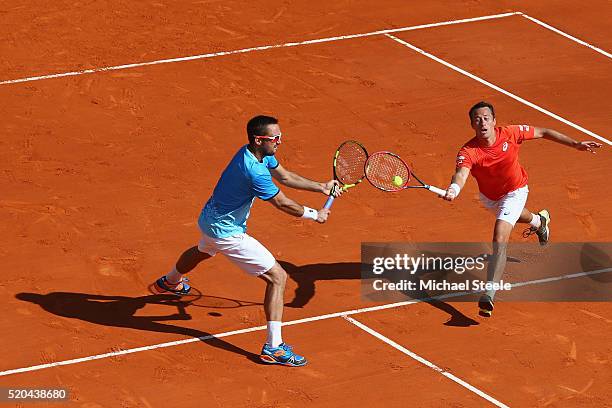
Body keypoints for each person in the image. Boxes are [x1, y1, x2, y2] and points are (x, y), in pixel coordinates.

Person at [152, 115, 341, 366]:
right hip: (227, 232)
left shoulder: (256, 153)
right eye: (275, 138)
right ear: (258, 139)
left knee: (203, 249)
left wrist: (321, 187)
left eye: (280, 136)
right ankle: (274, 347)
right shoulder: (254, 171)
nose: (280, 142)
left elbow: (284, 177)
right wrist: (314, 214)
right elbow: (282, 203)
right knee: (278, 277)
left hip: (209, 218)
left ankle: (170, 282)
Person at [442, 101, 602, 317]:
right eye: (477, 119)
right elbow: (461, 174)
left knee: (500, 237)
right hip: (490, 197)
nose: (482, 122)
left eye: (486, 118)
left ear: (494, 121)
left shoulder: (510, 133)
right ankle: (539, 222)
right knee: (515, 215)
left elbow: (544, 132)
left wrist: (575, 144)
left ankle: (489, 292)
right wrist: (454, 189)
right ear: (472, 124)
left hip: (516, 190)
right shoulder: (468, 151)